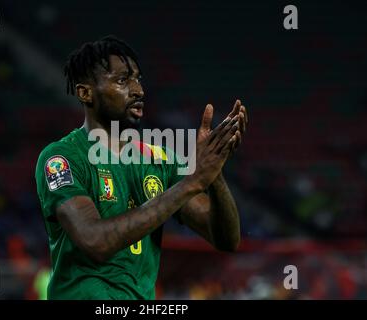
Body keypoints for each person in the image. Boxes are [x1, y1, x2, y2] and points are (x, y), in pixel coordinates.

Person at [35, 35, 248, 300]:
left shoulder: (160, 160)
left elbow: (226, 240)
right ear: (85, 92)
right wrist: (191, 182)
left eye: (138, 79)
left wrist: (213, 173)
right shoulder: (62, 158)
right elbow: (95, 241)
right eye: (123, 80)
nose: (138, 90)